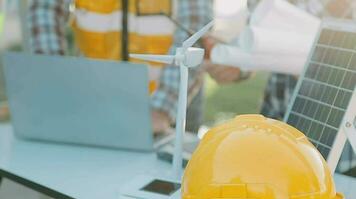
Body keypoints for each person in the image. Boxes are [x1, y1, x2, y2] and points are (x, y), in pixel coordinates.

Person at [27, 0, 248, 134]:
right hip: (93, 99)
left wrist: (160, 110)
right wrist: (53, 79)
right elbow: (45, 7)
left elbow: (192, 30)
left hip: (170, 109)